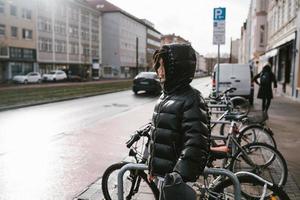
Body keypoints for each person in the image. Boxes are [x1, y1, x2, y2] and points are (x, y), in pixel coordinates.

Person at [147, 43, 210, 199]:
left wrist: (178, 176)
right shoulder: (164, 96)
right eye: (158, 66)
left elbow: (196, 142)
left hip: (176, 180)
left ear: (176, 68)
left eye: (163, 66)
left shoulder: (192, 98)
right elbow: (158, 134)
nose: (159, 71)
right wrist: (152, 167)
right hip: (164, 176)